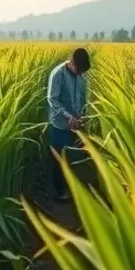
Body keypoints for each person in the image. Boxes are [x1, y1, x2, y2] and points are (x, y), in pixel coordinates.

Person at [45, 47, 90, 200]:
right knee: (59, 158)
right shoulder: (58, 74)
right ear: (72, 63)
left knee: (71, 157)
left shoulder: (81, 75)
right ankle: (59, 193)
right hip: (59, 124)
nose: (80, 73)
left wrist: (82, 115)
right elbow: (52, 99)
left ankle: (70, 187)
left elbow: (83, 98)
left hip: (75, 124)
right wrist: (68, 116)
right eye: (79, 70)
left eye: (82, 71)